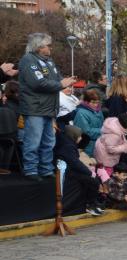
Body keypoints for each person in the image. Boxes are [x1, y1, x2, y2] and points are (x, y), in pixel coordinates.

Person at [18, 32, 76, 181]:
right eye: (48, 45)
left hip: (49, 109)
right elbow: (37, 83)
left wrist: (65, 81)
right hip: (34, 109)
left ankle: (45, 169)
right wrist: (60, 84)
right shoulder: (28, 60)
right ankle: (31, 170)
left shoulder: (49, 61)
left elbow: (56, 80)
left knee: (49, 142)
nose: (51, 48)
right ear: (38, 46)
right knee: (33, 141)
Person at [54, 126, 104, 216]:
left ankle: (93, 203)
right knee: (93, 180)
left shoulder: (67, 141)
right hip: (65, 171)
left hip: (68, 169)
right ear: (73, 135)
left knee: (93, 179)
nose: (81, 138)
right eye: (79, 136)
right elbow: (75, 162)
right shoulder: (68, 146)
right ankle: (90, 205)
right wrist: (90, 173)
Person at [93, 114, 127, 182]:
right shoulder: (114, 135)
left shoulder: (115, 126)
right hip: (106, 160)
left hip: (102, 155)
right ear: (124, 126)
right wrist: (125, 147)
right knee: (105, 179)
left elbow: (122, 139)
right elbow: (111, 149)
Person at [73, 89, 104, 156]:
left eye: (97, 102)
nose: (96, 105)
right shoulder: (81, 113)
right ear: (86, 101)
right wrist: (103, 130)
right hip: (87, 146)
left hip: (98, 144)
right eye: (93, 102)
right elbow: (86, 132)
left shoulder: (98, 110)